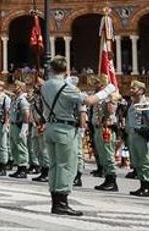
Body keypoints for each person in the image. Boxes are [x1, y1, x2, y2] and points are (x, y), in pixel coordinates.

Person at [41, 56, 116, 216]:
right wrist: (107, 91)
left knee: (54, 165)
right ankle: (62, 202)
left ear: (51, 69)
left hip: (50, 127)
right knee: (66, 166)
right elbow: (88, 100)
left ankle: (55, 201)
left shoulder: (45, 85)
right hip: (64, 129)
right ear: (66, 70)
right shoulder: (65, 87)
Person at [126, 80, 149, 197]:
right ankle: (141, 185)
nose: (131, 90)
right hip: (133, 135)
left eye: (133, 88)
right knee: (137, 162)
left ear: (141, 90)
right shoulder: (134, 103)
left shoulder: (145, 103)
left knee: (144, 161)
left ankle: (146, 187)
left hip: (141, 135)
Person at [93, 90, 120, 191]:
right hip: (100, 128)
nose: (96, 86)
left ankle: (112, 180)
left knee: (108, 155)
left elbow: (111, 109)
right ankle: (107, 178)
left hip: (107, 128)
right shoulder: (99, 97)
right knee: (103, 155)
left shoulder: (110, 96)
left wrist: (108, 99)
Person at [8, 80, 31, 178]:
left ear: (20, 88)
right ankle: (18, 166)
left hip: (19, 126)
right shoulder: (15, 99)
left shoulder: (22, 100)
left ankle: (23, 168)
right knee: (14, 147)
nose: (13, 88)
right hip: (13, 125)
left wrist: (25, 127)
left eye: (16, 86)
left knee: (21, 147)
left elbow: (26, 114)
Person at [30, 77, 50, 183]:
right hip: (35, 125)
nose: (36, 87)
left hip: (43, 125)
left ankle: (47, 171)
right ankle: (42, 168)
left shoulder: (46, 98)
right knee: (36, 149)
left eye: (39, 85)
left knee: (44, 149)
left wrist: (44, 123)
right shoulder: (36, 97)